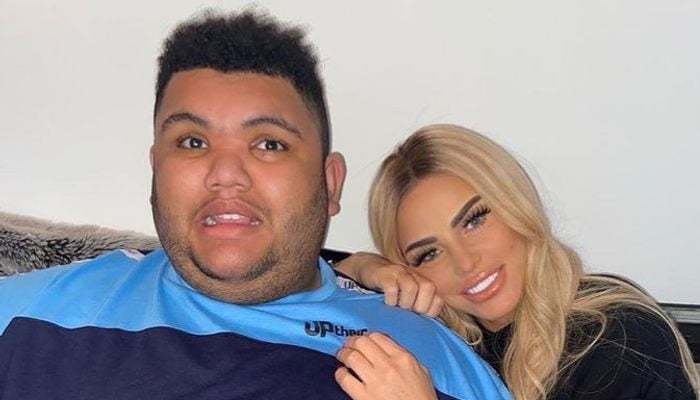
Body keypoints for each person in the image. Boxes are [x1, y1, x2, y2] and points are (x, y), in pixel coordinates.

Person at [0, 10, 510, 400]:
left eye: (269, 144)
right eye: (193, 142)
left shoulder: (428, 361)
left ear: (330, 185)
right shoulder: (28, 316)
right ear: (156, 169)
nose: (226, 173)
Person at [333, 124, 700, 400]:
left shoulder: (618, 336)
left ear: (515, 203)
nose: (465, 263)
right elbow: (304, 290)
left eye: (474, 220)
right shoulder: (449, 346)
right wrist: (362, 266)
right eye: (429, 254)